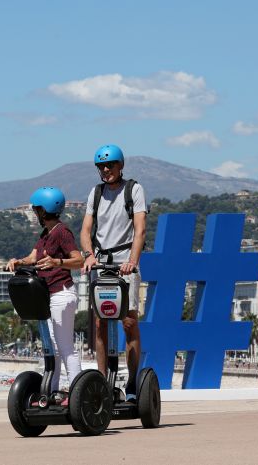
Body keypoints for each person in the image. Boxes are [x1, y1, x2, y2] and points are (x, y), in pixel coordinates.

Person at [80, 144, 147, 401]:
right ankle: (101, 382)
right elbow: (86, 230)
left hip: (124, 262)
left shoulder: (134, 190)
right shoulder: (96, 193)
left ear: (121, 166)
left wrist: (132, 261)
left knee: (128, 322)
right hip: (101, 263)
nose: (106, 170)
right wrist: (89, 255)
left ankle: (131, 382)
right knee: (99, 323)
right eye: (101, 167)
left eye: (110, 166)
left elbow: (139, 229)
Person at [6, 187, 84, 404]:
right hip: (48, 296)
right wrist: (18, 261)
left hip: (62, 293)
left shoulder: (62, 231)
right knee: (53, 348)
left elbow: (78, 260)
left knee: (65, 347)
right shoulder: (45, 234)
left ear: (44, 210)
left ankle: (78, 393)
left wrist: (56, 262)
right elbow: (33, 256)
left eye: (36, 209)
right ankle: (52, 392)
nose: (34, 213)